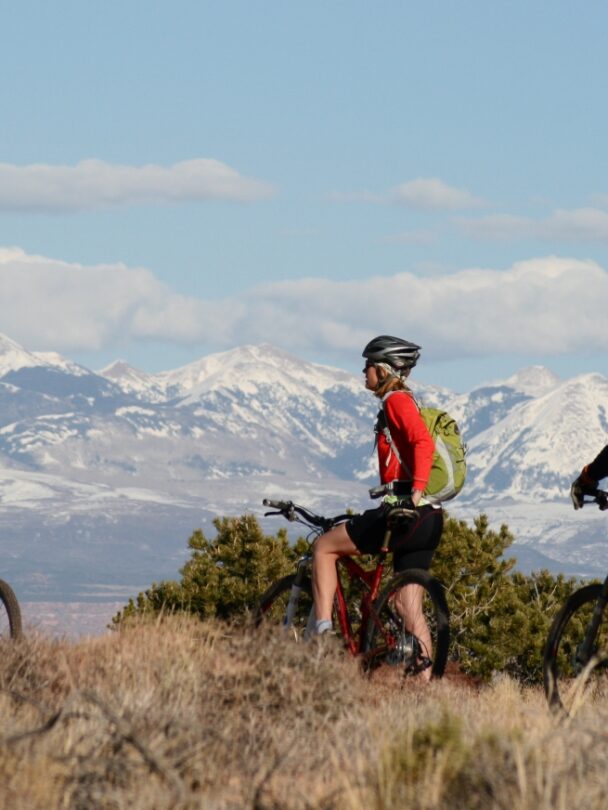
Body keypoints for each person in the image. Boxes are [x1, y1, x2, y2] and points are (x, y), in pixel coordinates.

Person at [311, 335, 444, 679]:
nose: (363, 371)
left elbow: (422, 444)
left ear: (383, 369)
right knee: (406, 604)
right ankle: (424, 688)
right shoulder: (408, 401)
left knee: (324, 547)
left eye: (367, 365)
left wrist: (412, 495)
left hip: (405, 512)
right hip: (430, 518)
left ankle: (321, 634)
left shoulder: (395, 401)